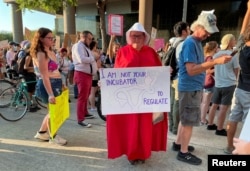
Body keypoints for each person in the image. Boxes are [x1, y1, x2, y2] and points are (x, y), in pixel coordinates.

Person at [172, 10, 232, 165]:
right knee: (189, 122)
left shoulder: (195, 42)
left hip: (191, 88)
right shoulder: (191, 43)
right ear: (197, 27)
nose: (209, 35)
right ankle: (183, 152)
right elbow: (191, 69)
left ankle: (179, 144)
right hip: (190, 88)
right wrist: (215, 62)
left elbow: (193, 68)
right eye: (206, 31)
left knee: (185, 120)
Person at [106, 22, 168, 165]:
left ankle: (144, 153)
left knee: (145, 126)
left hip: (147, 98)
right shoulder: (123, 52)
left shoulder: (151, 52)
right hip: (129, 99)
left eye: (139, 36)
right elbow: (116, 73)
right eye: (133, 36)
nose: (136, 39)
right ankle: (132, 154)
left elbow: (158, 71)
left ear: (144, 37)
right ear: (129, 37)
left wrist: (166, 72)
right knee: (131, 127)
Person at [30, 27, 67, 145]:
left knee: (52, 111)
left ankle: (42, 133)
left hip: (55, 83)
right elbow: (44, 75)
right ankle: (53, 136)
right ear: (41, 39)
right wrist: (50, 94)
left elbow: (56, 70)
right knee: (53, 112)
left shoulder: (50, 52)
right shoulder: (41, 54)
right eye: (49, 38)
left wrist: (62, 83)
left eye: (53, 38)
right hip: (48, 84)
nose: (52, 40)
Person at [224, 0, 250, 154]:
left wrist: (248, 10)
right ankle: (243, 152)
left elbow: (242, 30)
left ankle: (229, 146)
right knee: (248, 125)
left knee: (233, 117)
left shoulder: (242, 46)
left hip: (239, 90)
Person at [206, 34, 239, 136]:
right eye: (234, 40)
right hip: (229, 83)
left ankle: (210, 124)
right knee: (224, 107)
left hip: (218, 83)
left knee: (214, 105)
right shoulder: (232, 55)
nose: (235, 41)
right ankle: (220, 128)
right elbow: (236, 70)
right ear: (229, 42)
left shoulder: (216, 55)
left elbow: (211, 68)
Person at [72, 30, 98, 128]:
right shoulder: (78, 46)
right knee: (82, 97)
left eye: (91, 39)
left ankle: (85, 112)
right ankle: (80, 119)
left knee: (86, 95)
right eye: (89, 39)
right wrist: (93, 57)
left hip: (87, 75)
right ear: (83, 37)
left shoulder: (84, 46)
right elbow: (81, 59)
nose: (91, 41)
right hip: (82, 74)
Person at [168, 21, 190, 135]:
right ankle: (176, 128)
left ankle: (171, 126)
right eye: (188, 29)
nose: (190, 31)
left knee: (172, 102)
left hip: (172, 76)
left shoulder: (173, 43)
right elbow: (183, 63)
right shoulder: (183, 44)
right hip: (179, 77)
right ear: (184, 31)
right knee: (177, 103)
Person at [200, 41, 219, 125]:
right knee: (206, 102)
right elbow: (208, 71)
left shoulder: (205, 56)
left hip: (205, 81)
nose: (218, 49)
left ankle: (202, 118)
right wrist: (218, 68)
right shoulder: (210, 58)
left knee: (204, 102)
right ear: (214, 48)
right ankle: (203, 119)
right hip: (209, 81)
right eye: (217, 47)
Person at [88, 40, 101, 111]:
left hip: (89, 74)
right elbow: (99, 65)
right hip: (95, 74)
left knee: (90, 91)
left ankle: (89, 105)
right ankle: (93, 106)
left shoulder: (87, 53)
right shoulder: (95, 54)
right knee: (93, 91)